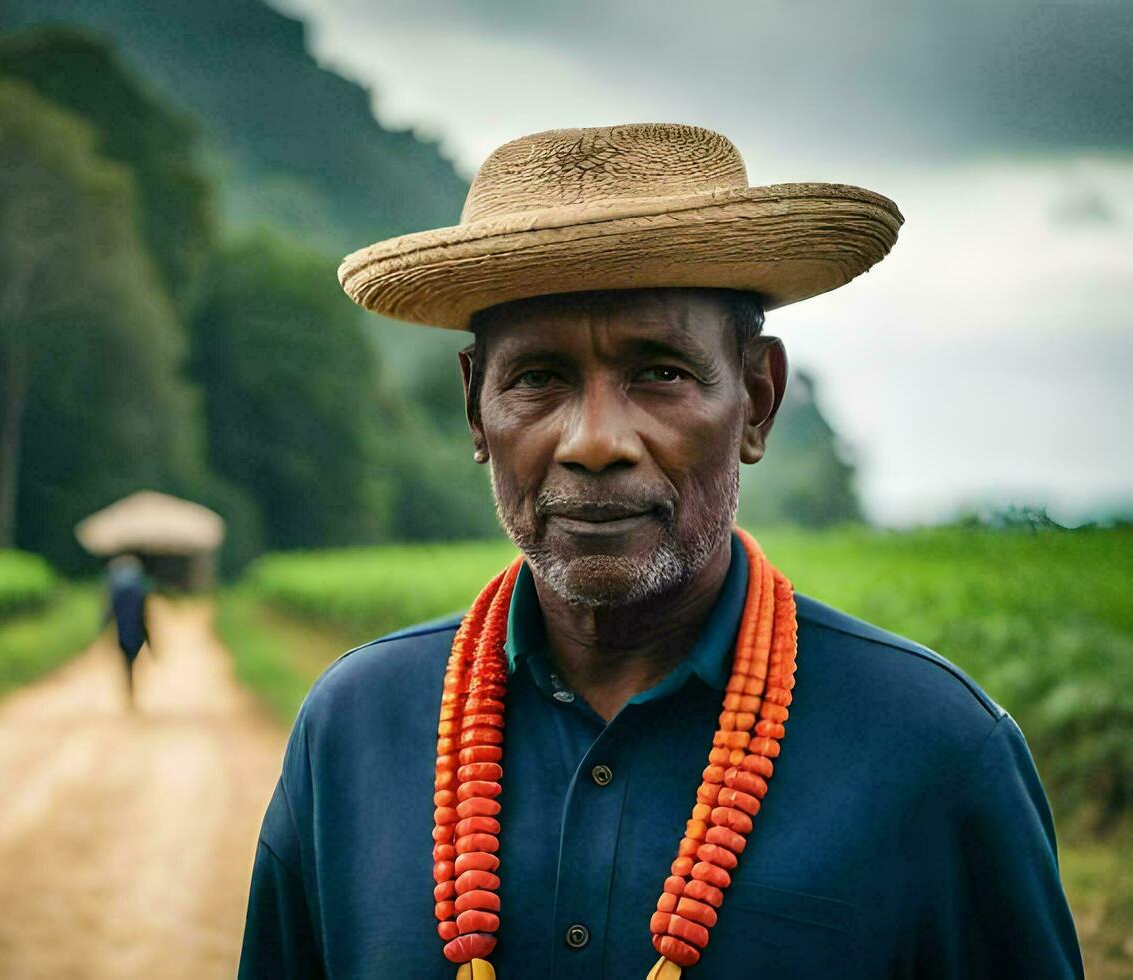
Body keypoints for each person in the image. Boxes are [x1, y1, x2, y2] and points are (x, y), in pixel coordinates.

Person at [237, 124, 1082, 978]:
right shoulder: (351, 728)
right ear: (474, 411)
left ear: (756, 400)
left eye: (661, 372)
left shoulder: (935, 749)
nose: (596, 441)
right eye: (538, 378)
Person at [105, 553, 151, 709]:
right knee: (132, 663)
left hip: (123, 632)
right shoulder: (139, 593)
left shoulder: (117, 594)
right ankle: (132, 693)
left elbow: (110, 614)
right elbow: (145, 618)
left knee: (127, 664)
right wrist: (151, 641)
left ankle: (130, 693)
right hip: (136, 633)